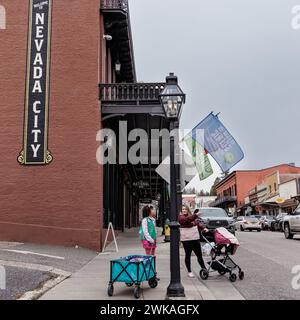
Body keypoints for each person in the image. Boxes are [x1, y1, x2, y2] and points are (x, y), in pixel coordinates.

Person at [179, 205, 208, 278]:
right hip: (187, 239)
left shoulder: (191, 217)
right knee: (188, 255)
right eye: (183, 209)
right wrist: (195, 215)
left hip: (195, 238)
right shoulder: (181, 217)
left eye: (185, 209)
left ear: (188, 209)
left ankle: (204, 269)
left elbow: (197, 223)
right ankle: (189, 271)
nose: (184, 210)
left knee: (199, 255)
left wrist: (203, 228)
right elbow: (186, 220)